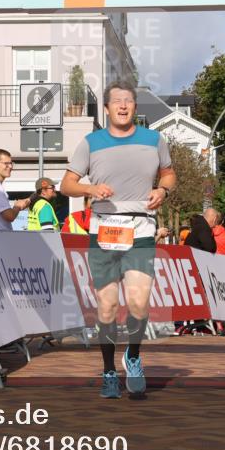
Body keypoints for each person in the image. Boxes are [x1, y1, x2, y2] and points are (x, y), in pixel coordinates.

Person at [61, 81, 176, 399]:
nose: (123, 106)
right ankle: (109, 370)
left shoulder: (155, 139)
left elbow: (168, 173)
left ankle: (134, 356)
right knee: (108, 307)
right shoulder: (90, 142)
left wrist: (163, 190)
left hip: (140, 230)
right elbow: (66, 185)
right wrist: (90, 189)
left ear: (135, 108)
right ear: (107, 108)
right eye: (117, 101)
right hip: (104, 231)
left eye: (129, 101)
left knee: (139, 303)